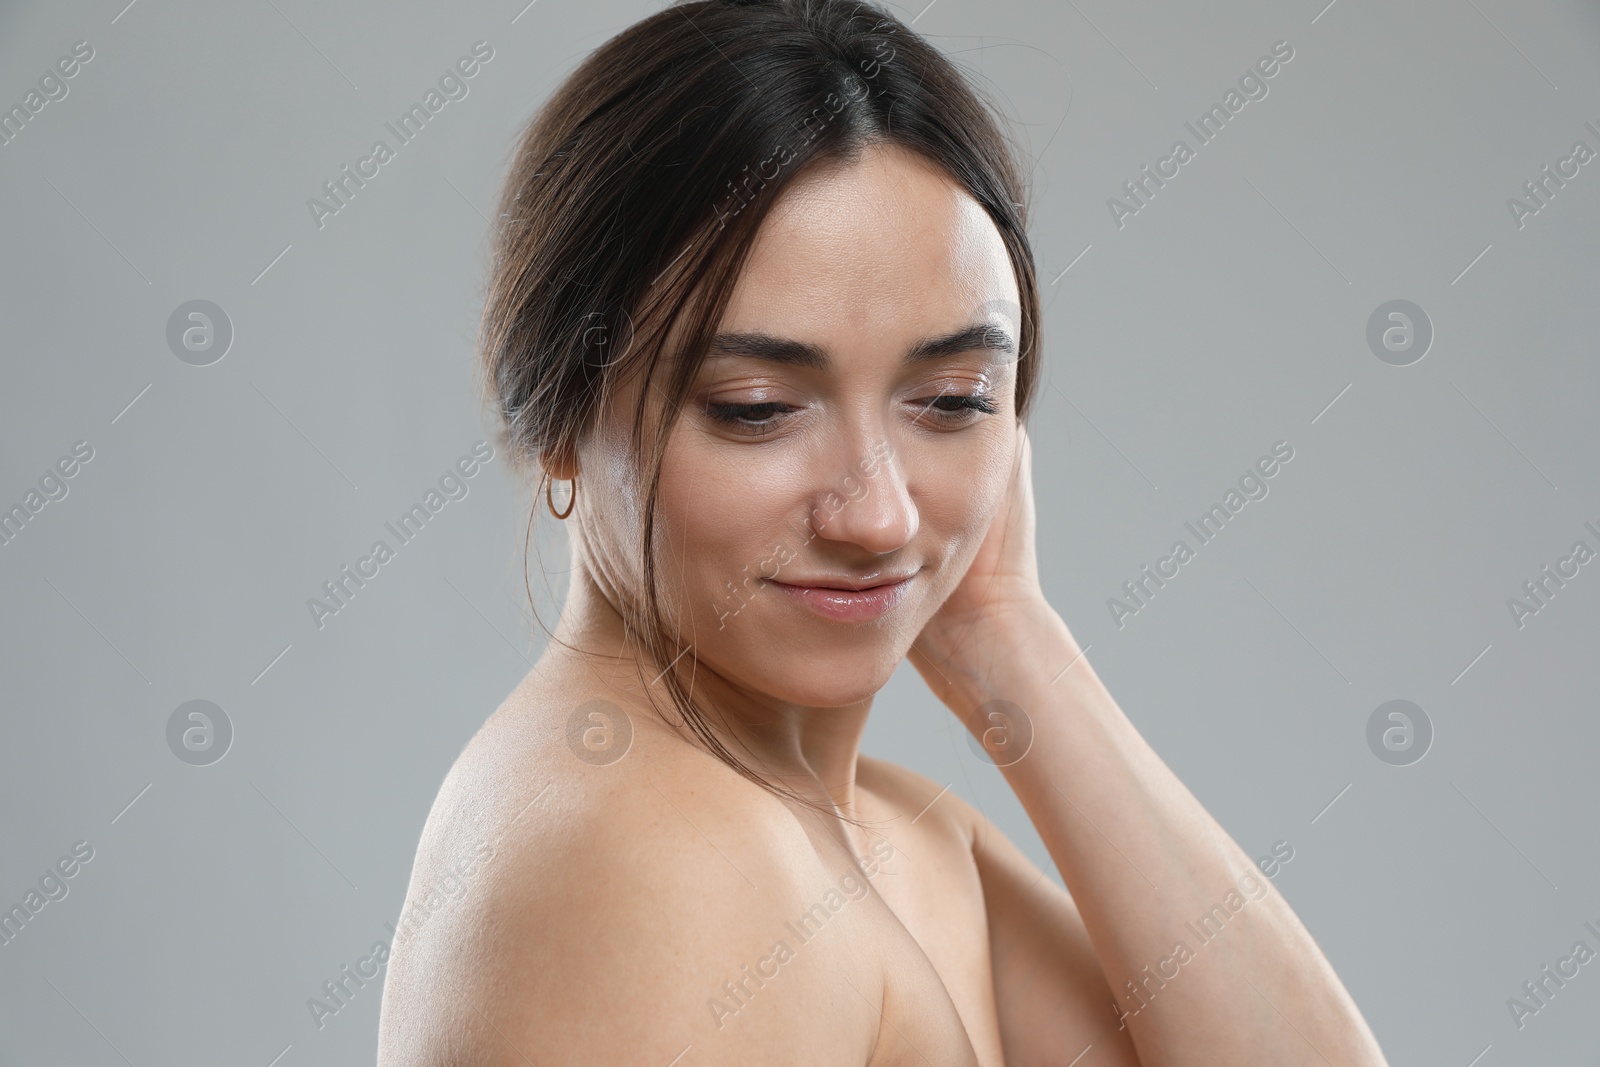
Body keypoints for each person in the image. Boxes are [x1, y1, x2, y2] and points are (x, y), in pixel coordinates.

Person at [376, 1, 1389, 1062]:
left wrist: (1009, 637)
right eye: (758, 407)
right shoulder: (655, 857)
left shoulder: (901, 840)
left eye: (952, 400)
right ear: (561, 419)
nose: (879, 514)